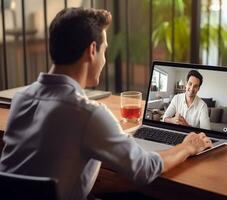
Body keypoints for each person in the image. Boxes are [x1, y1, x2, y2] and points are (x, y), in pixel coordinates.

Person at [0, 7, 212, 200]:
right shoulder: (87, 114)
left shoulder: (21, 98)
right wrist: (187, 147)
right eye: (104, 50)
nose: (105, 59)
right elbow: (144, 169)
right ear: (92, 50)